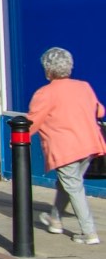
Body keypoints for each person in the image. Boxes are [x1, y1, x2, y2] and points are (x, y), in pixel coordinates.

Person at [28, 47, 106, 245]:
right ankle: (55, 220)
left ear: (48, 70)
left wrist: (18, 140)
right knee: (67, 184)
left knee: (74, 186)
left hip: (65, 148)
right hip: (88, 144)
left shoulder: (45, 93)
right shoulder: (84, 87)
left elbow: (32, 122)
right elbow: (100, 111)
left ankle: (89, 232)